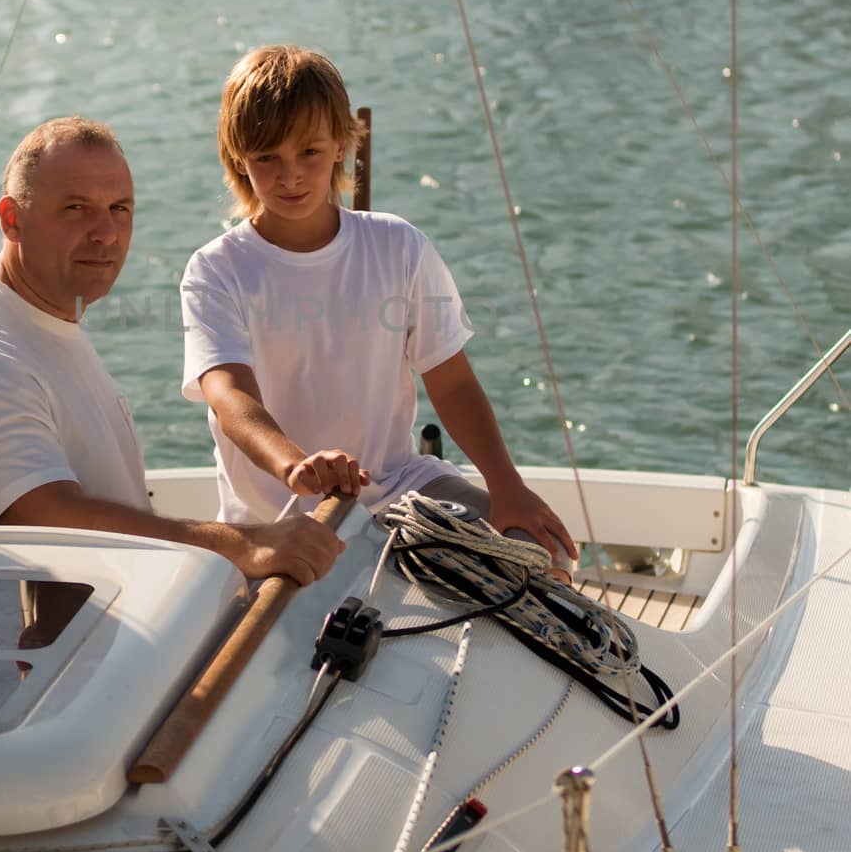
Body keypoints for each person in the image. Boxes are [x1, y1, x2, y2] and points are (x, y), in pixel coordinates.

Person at [0, 117, 344, 646]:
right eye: (76, 209)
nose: (106, 233)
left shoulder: (44, 320)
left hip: (112, 642)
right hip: (31, 692)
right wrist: (243, 545)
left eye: (120, 209)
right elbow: (50, 523)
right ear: (11, 219)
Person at [180, 48, 576, 574]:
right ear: (237, 157)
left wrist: (508, 487)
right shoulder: (216, 269)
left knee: (545, 560)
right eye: (266, 157)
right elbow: (229, 397)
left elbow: (451, 381)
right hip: (280, 516)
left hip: (402, 488)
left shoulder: (400, 246)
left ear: (342, 144)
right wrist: (295, 465)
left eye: (310, 153)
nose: (290, 175)